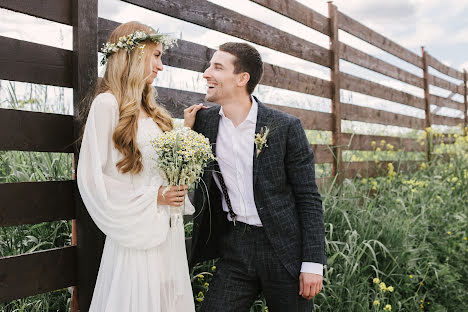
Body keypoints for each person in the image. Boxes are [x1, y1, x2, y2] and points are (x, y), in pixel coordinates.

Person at [184, 42, 326, 311]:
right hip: (235, 245)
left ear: (242, 78)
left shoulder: (285, 127)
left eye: (217, 67)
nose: (206, 73)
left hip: (284, 249)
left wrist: (312, 263)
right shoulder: (203, 123)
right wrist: (185, 133)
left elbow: (308, 198)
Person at [77, 21, 195, 312]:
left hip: (166, 230)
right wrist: (153, 196)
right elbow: (92, 177)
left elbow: (158, 166)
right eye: (156, 56)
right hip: (136, 229)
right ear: (134, 55)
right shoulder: (107, 105)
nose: (161, 66)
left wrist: (185, 138)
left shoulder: (154, 113)